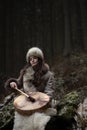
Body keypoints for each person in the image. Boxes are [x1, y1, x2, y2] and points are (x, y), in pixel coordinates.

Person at [5, 47, 57, 130]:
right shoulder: (25, 72)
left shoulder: (48, 75)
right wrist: (14, 83)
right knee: (21, 123)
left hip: (42, 104)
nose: (32, 60)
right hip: (26, 103)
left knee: (38, 121)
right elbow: (19, 84)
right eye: (30, 59)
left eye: (35, 58)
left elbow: (49, 91)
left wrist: (42, 103)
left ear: (40, 59)